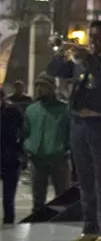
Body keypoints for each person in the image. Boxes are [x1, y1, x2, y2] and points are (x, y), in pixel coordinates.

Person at [47, 21, 101, 241]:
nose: (93, 42)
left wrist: (89, 60)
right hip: (78, 123)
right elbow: (53, 71)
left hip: (99, 124)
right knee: (84, 179)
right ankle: (89, 227)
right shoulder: (80, 61)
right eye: (91, 37)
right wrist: (61, 53)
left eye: (98, 37)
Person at [22, 73, 70, 214]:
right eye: (37, 85)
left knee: (62, 197)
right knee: (38, 199)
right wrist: (28, 148)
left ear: (52, 88)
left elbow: (70, 132)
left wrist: (65, 149)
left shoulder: (65, 110)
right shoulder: (31, 110)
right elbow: (26, 132)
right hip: (37, 159)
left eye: (43, 85)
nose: (39, 89)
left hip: (59, 159)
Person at [0, 89, 23, 223]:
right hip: (10, 156)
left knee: (8, 197)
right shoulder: (13, 111)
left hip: (10, 159)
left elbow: (22, 132)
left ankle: (8, 222)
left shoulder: (13, 112)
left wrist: (19, 152)